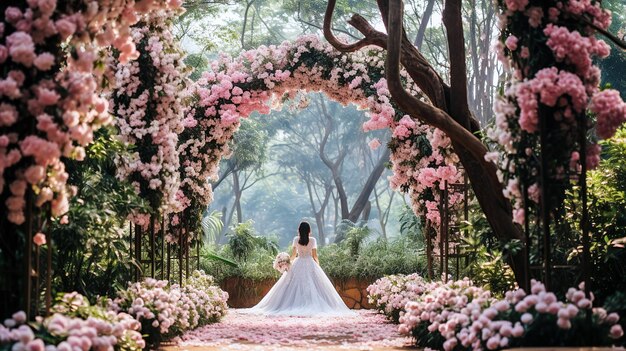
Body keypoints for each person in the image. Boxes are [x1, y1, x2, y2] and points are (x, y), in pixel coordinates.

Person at [243, 221, 355, 316]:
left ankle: (289, 305)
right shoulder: (313, 240)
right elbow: (315, 256)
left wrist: (286, 262)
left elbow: (293, 255)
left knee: (289, 285)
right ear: (309, 230)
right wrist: (318, 267)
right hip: (310, 263)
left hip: (298, 262)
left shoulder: (296, 239)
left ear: (299, 230)